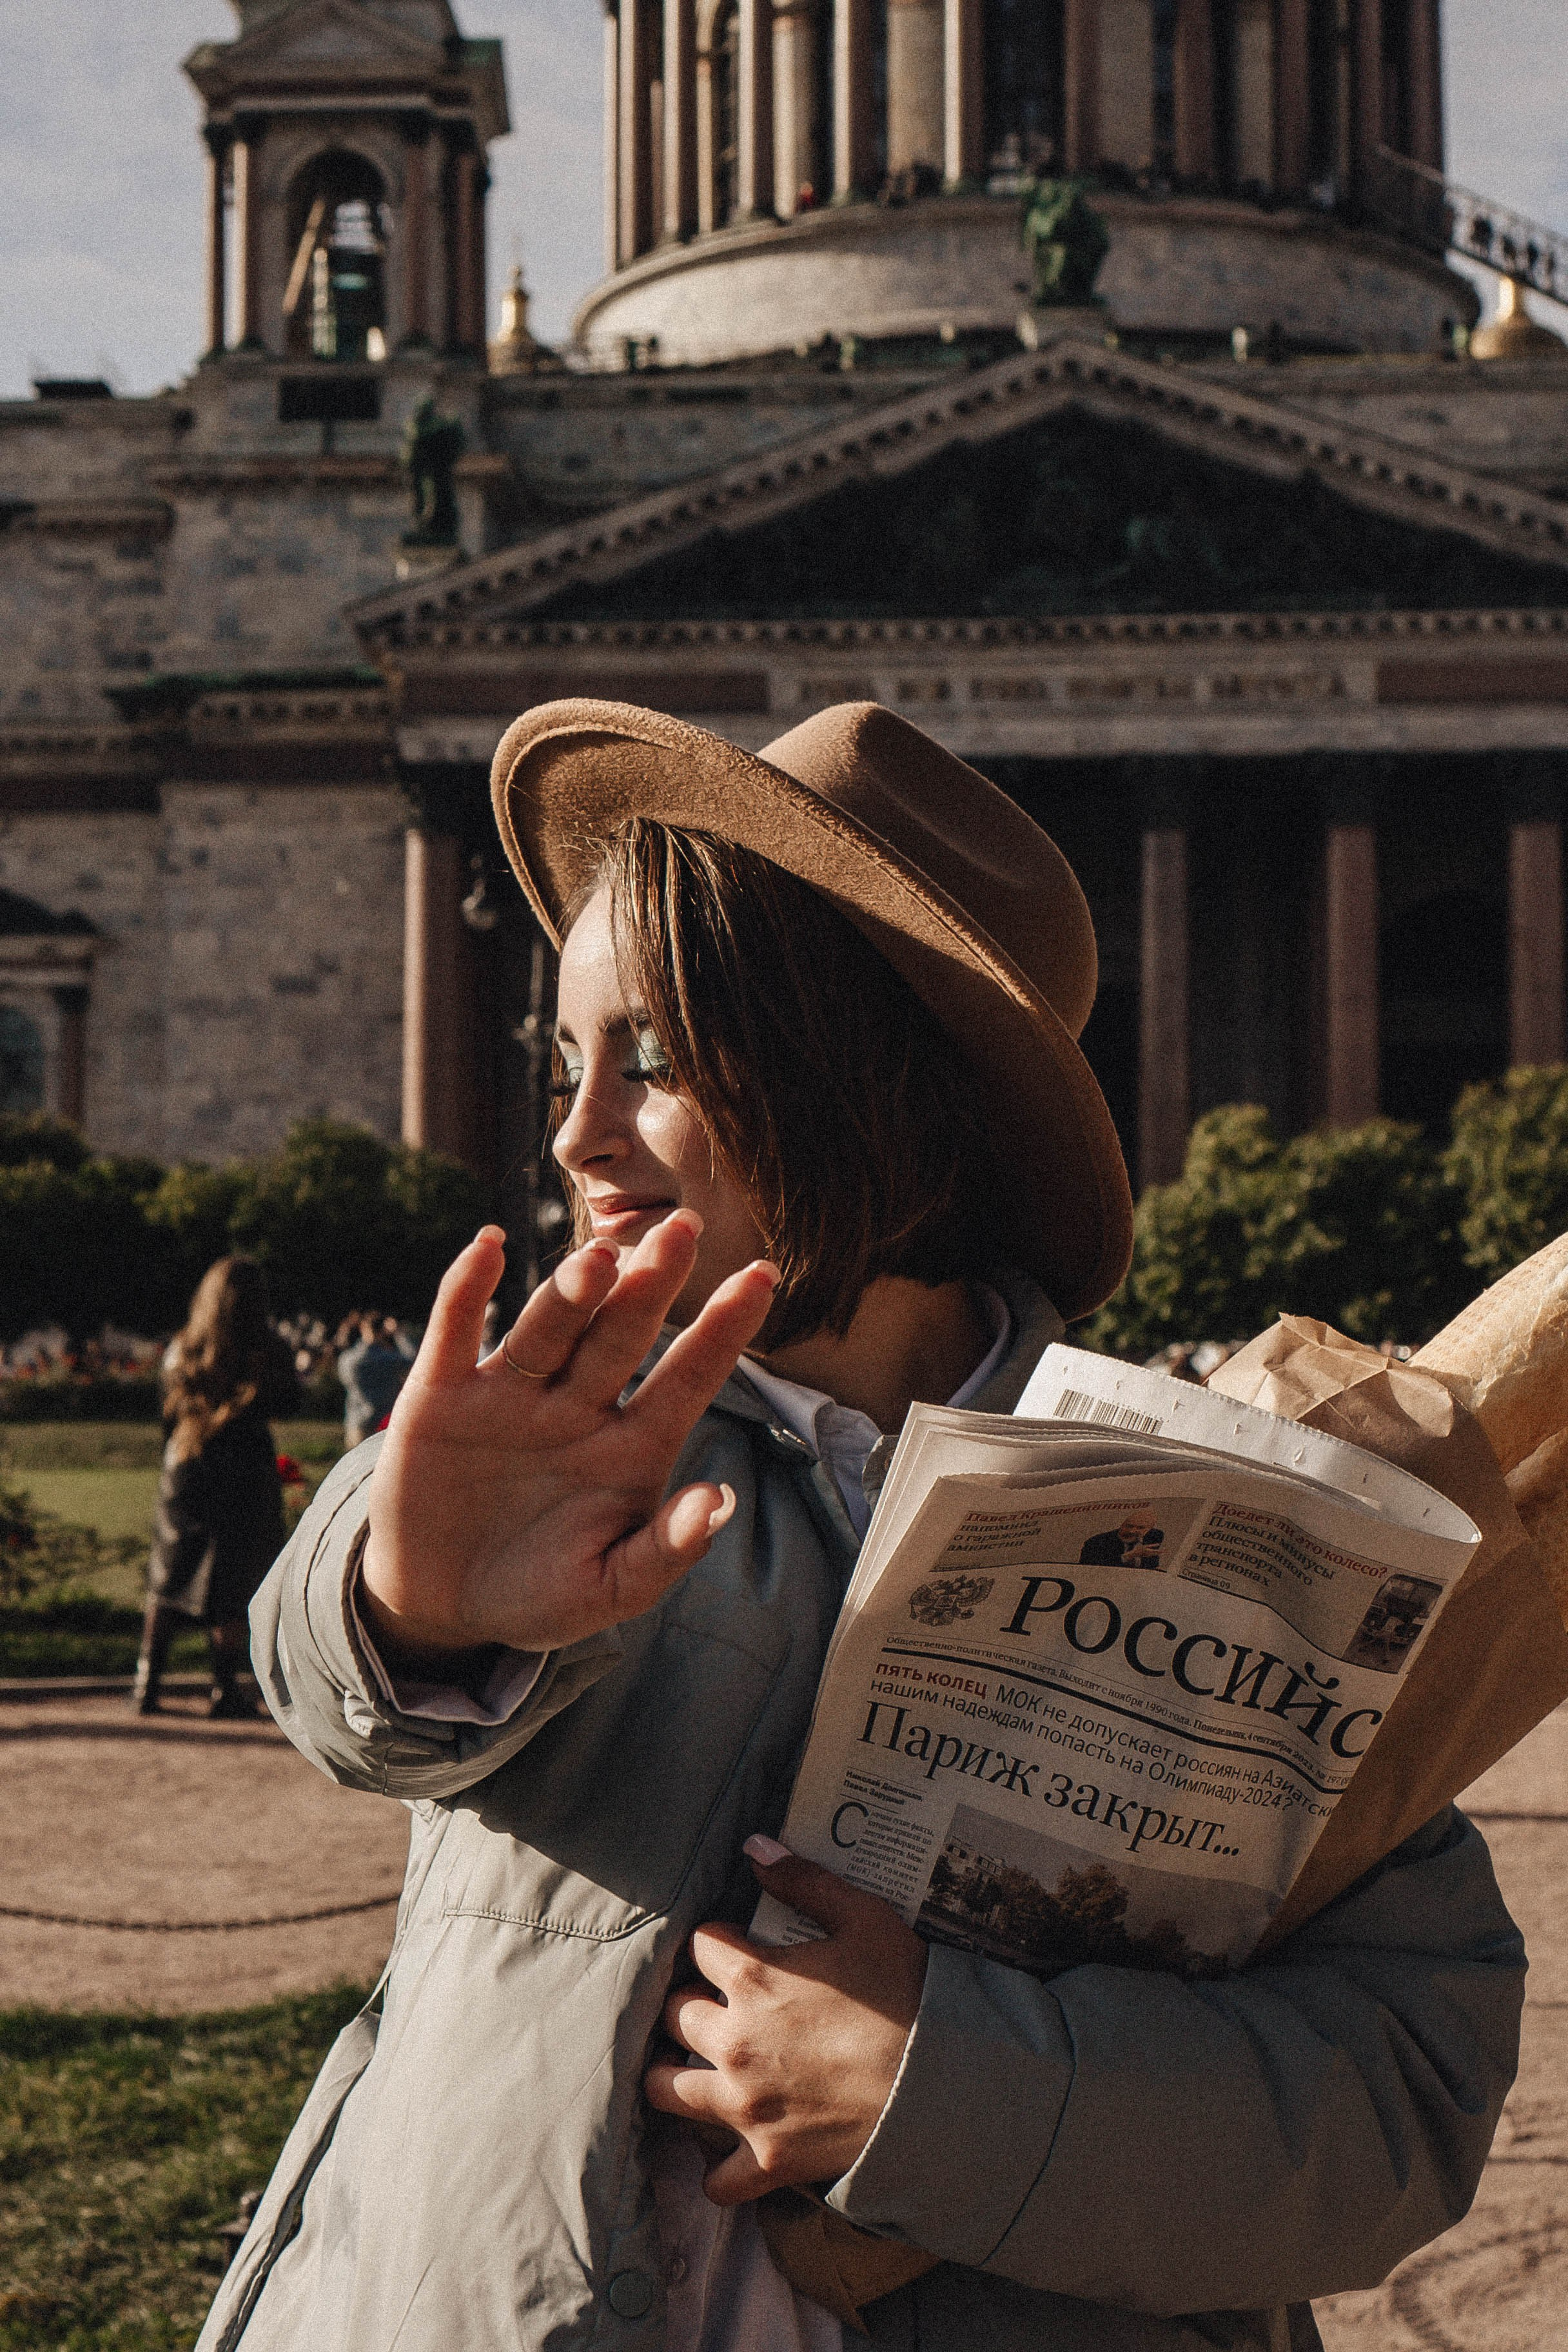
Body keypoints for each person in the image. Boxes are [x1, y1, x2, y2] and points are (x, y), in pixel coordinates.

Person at [202, 703, 1524, 2352]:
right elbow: (331, 1667)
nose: (573, 1131)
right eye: (565, 1063)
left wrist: (935, 2087)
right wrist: (413, 1604)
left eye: (656, 1059)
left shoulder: (1231, 1526)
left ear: (874, 1080)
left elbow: (1401, 2083)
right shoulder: (574, 1439)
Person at [133, 1257, 298, 1719]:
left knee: (169, 1575)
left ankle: (146, 1684)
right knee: (232, 1578)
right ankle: (225, 1688)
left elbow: (166, 1415)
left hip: (187, 1466)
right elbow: (288, 1400)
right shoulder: (267, 1349)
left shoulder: (183, 1347)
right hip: (244, 1469)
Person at [335, 1312, 416, 1447]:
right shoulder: (388, 1359)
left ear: (363, 1329)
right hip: (384, 1422)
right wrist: (399, 1334)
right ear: (383, 1331)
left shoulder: (348, 1359)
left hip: (357, 1421)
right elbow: (414, 1359)